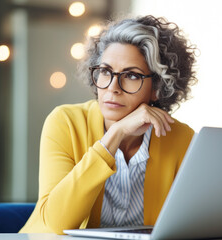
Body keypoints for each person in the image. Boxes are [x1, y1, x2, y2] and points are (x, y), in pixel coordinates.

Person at [20, 15, 198, 234]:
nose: (113, 87)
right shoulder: (65, 122)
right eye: (105, 71)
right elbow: (58, 224)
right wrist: (116, 133)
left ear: (158, 87)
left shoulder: (182, 139)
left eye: (131, 75)